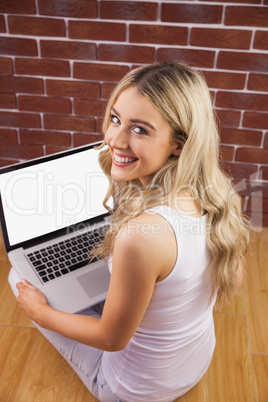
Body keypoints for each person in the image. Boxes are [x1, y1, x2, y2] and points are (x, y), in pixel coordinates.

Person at [16, 62, 249, 402]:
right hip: (194, 361)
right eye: (115, 118)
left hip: (132, 389)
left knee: (18, 282)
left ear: (179, 143)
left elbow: (111, 339)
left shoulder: (142, 236)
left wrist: (41, 313)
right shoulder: (217, 194)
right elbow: (235, 278)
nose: (114, 140)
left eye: (140, 130)